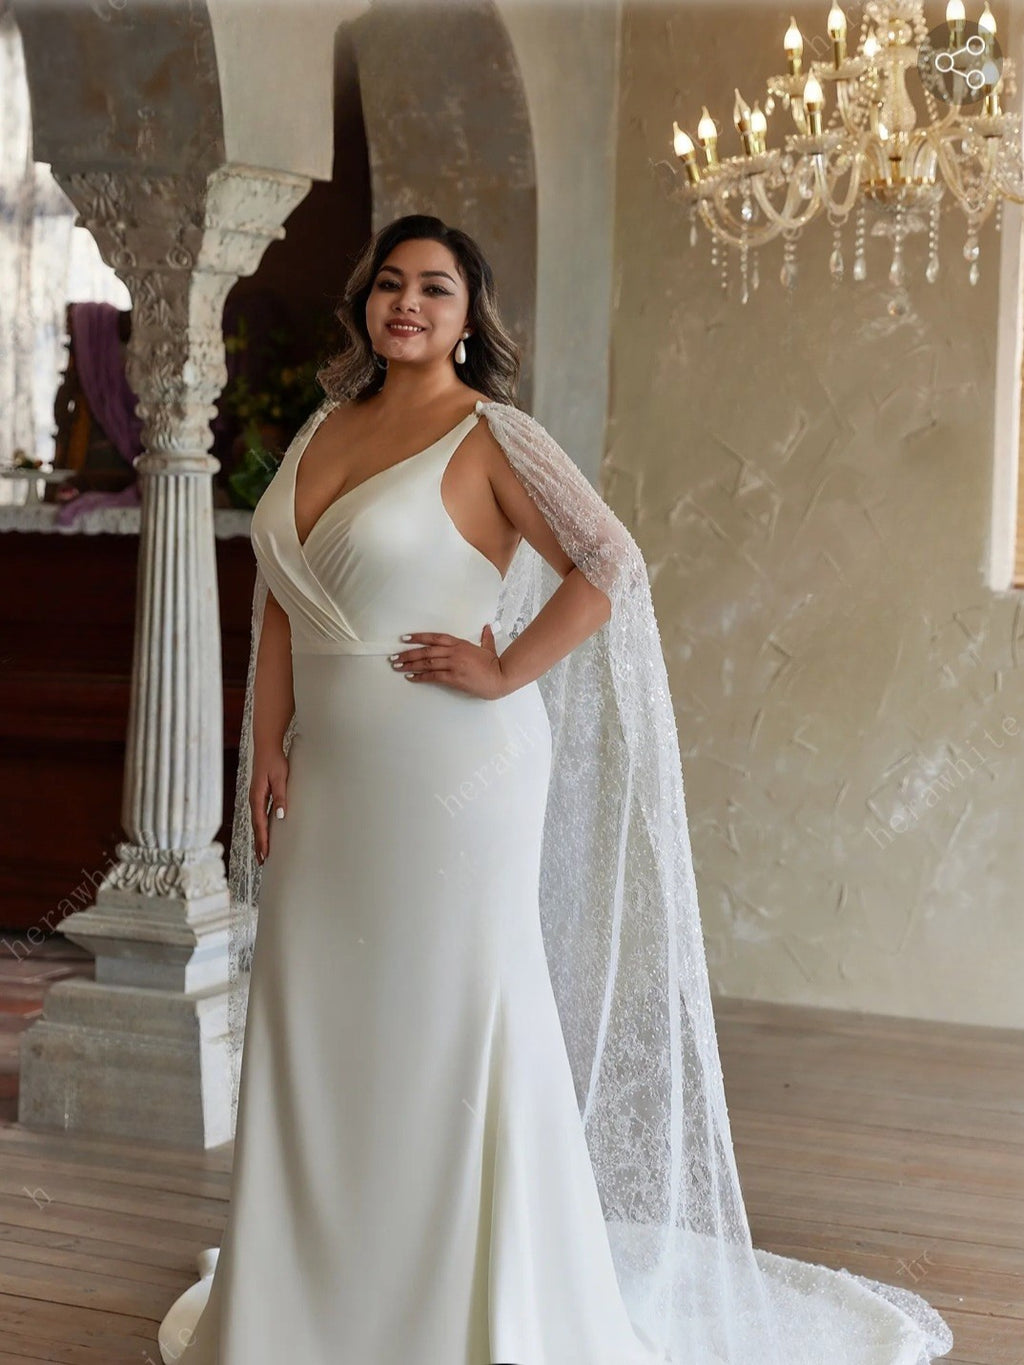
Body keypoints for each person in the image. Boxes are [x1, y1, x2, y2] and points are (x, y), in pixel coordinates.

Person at [158, 215, 954, 1364]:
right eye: (390, 284)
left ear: (467, 317)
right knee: (317, 1011)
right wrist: (267, 745)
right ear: (366, 305)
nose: (407, 304)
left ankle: (460, 1306)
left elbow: (608, 561)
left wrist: (504, 669)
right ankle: (319, 1294)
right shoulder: (322, 428)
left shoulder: (492, 436)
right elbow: (281, 594)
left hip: (453, 771)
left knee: (446, 1009)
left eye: (435, 288)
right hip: (328, 776)